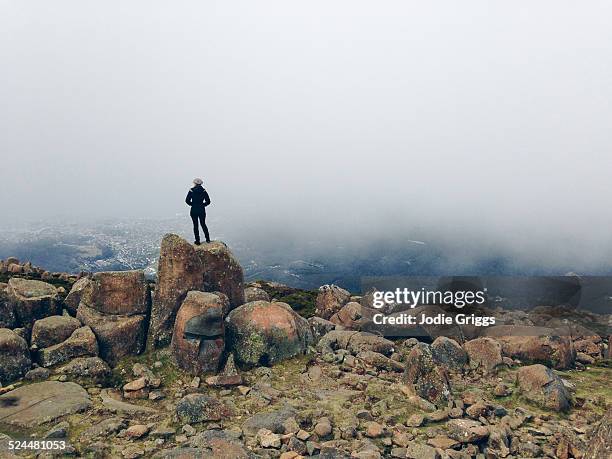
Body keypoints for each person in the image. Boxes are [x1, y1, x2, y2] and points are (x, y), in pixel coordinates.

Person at [185, 178, 211, 245]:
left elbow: (187, 200)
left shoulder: (191, 191)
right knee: (203, 224)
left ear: (194, 183)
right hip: (201, 210)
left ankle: (197, 241)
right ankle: (207, 239)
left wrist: (192, 204)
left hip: (194, 210)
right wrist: (203, 205)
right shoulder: (203, 191)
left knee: (195, 225)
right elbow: (208, 201)